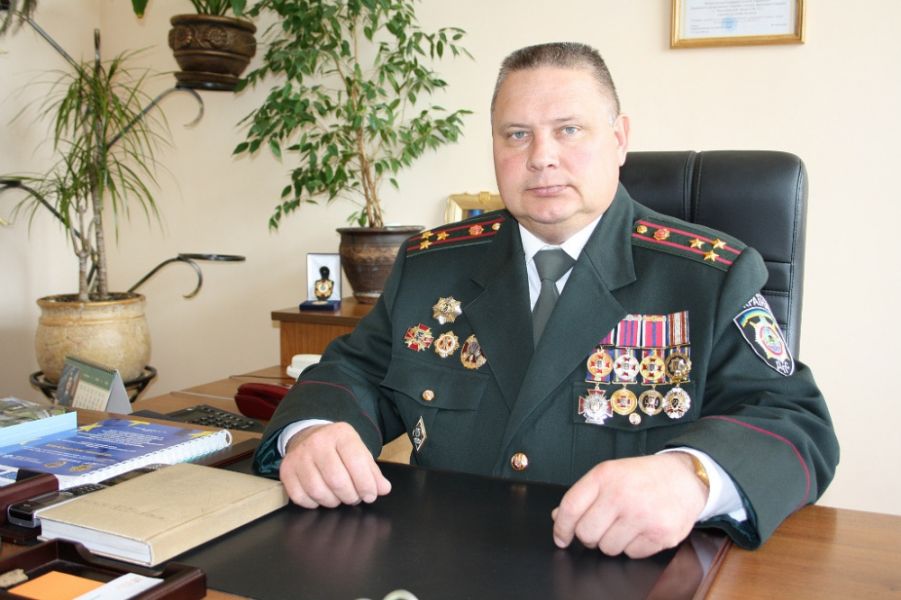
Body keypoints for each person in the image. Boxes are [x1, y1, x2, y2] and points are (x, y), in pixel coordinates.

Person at [254, 42, 839, 558]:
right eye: (517, 134)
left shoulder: (708, 275)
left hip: (624, 569)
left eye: (569, 129)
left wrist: (690, 477)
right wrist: (314, 429)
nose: (540, 157)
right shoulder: (433, 265)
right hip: (445, 559)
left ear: (619, 139)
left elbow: (795, 424)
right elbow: (354, 371)